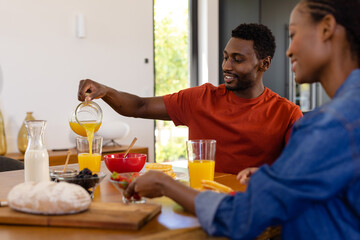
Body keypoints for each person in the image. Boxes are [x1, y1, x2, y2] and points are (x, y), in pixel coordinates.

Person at [124, 0, 360, 239]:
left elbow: (244, 216)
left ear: (327, 28)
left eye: (294, 34)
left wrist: (165, 185)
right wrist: (280, 177)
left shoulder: (333, 125)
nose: (289, 50)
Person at [78, 23, 302, 174]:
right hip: (200, 207)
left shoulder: (287, 113)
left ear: (264, 64)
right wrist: (105, 91)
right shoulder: (200, 99)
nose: (226, 66)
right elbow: (140, 106)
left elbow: (298, 171)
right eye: (225, 57)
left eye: (237, 59)